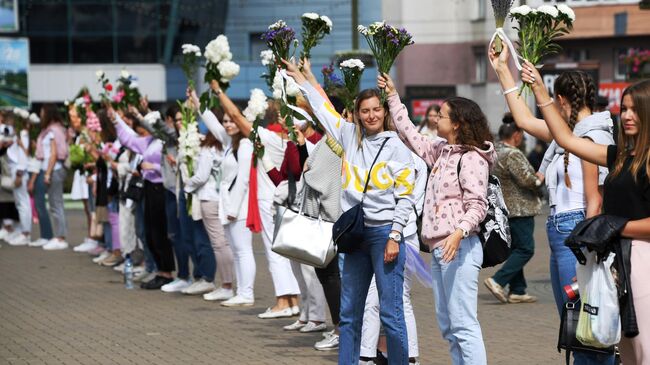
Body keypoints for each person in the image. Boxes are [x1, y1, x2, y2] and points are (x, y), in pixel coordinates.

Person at [489, 45, 615, 365]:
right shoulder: (569, 134)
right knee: (577, 326)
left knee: (587, 326)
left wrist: (591, 252)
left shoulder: (594, 137)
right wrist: (503, 69)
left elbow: (596, 199)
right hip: (563, 235)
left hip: (576, 235)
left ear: (561, 101)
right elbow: (523, 119)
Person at [287, 58, 416, 364]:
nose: (371, 115)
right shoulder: (348, 136)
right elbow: (321, 110)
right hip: (354, 235)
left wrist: (395, 235)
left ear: (384, 112)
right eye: (365, 110)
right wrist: (302, 79)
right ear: (357, 114)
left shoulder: (397, 147)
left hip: (385, 234)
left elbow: (406, 197)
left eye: (376, 109)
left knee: (391, 312)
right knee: (349, 313)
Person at [522, 65, 650, 365]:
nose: (628, 115)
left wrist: (616, 226)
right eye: (625, 108)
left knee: (644, 348)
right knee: (627, 348)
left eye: (636, 109)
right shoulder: (618, 155)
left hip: (643, 261)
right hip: (616, 263)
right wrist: (540, 91)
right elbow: (566, 140)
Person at [379, 73, 493, 365]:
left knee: (464, 324)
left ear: (457, 123)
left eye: (441, 115)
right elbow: (410, 134)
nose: (435, 119)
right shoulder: (441, 152)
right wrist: (393, 96)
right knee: (449, 326)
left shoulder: (471, 158)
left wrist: (459, 233)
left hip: (460, 248)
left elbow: (477, 205)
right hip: (441, 249)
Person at [210, 79, 301, 318]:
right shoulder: (292, 138)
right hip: (288, 198)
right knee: (287, 252)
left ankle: (283, 302)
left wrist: (218, 91)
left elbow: (235, 115)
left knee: (275, 252)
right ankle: (293, 301)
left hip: (270, 200)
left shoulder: (269, 138)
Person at [111, 105, 175, 290]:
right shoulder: (149, 141)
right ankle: (159, 270)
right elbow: (129, 138)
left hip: (160, 187)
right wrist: (116, 119)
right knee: (148, 232)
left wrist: (153, 168)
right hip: (148, 187)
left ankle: (166, 272)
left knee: (159, 231)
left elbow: (169, 165)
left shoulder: (166, 141)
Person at [484, 115, 543, 304]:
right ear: (516, 135)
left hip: (503, 209)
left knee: (516, 249)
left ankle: (518, 289)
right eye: (522, 135)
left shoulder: (495, 152)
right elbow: (528, 180)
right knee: (526, 249)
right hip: (520, 209)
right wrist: (540, 178)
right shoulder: (513, 154)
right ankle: (498, 280)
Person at [34, 104, 69, 250]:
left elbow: (53, 154)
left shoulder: (53, 131)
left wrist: (47, 173)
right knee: (55, 204)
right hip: (53, 169)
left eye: (42, 113)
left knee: (56, 204)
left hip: (54, 170)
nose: (41, 116)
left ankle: (60, 238)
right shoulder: (54, 130)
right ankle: (58, 236)